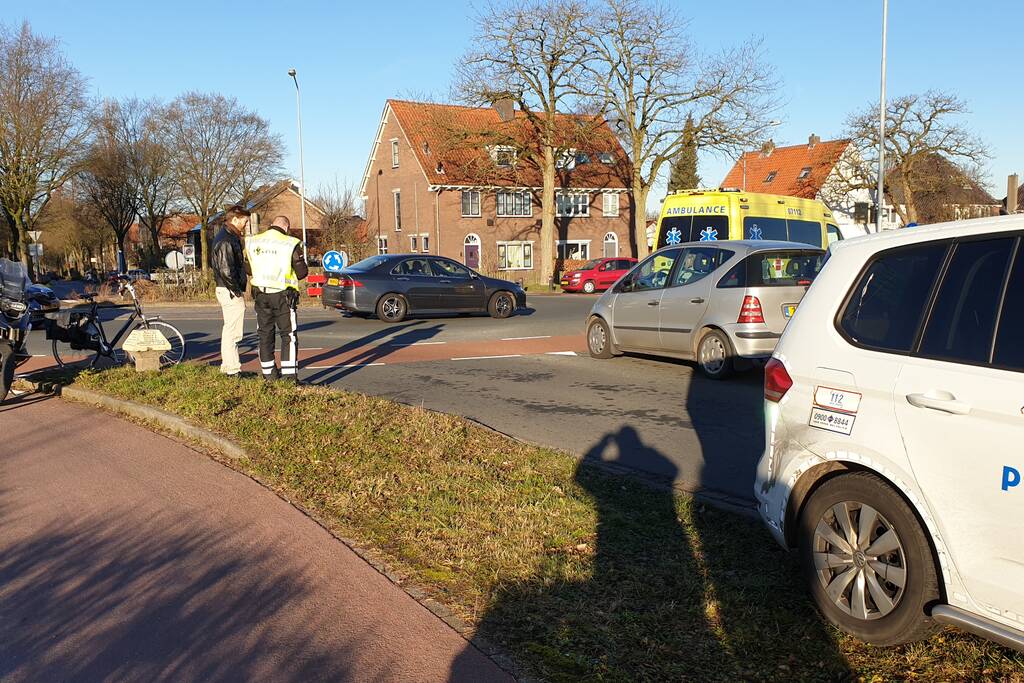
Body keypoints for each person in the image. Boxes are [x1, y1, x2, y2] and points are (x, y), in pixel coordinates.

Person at [245, 215, 308, 381]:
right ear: (286, 228)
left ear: (271, 224)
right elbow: (302, 272)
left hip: (261, 295)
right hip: (283, 297)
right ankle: (289, 377)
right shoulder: (290, 243)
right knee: (288, 335)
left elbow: (248, 268)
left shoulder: (253, 241)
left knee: (265, 334)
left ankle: (269, 374)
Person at [211, 205, 249, 377]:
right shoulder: (227, 239)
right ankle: (232, 369)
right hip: (229, 289)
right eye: (244, 221)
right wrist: (236, 290)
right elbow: (226, 269)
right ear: (235, 219)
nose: (246, 225)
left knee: (230, 329)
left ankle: (228, 366)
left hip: (226, 288)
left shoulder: (225, 236)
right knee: (233, 331)